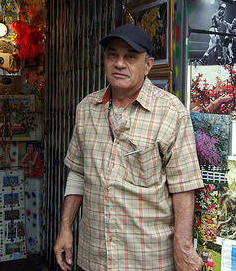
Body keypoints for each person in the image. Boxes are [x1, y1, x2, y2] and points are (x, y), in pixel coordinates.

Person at [53, 24, 204, 271]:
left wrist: (183, 249)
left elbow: (184, 187)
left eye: (131, 57)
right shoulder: (86, 109)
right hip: (93, 257)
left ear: (148, 65)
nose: (120, 63)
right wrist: (65, 228)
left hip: (146, 260)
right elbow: (78, 172)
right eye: (113, 55)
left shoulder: (170, 112)